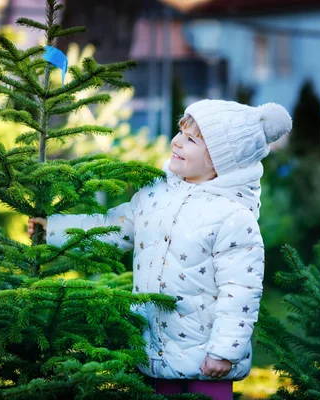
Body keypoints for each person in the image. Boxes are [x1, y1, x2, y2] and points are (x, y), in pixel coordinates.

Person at [28, 99, 292, 400]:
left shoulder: (233, 217)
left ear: (221, 159)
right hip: (154, 349)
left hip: (207, 361)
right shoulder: (154, 195)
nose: (176, 142)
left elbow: (240, 290)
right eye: (179, 132)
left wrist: (224, 351)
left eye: (191, 139)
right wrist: (56, 229)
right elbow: (112, 227)